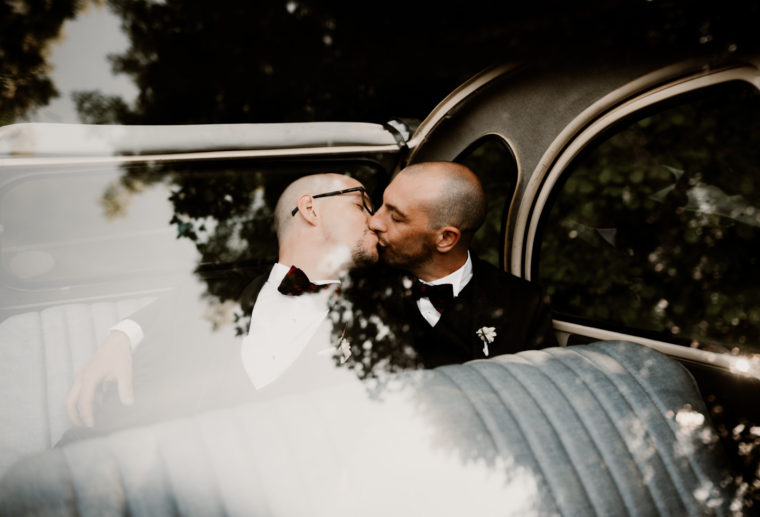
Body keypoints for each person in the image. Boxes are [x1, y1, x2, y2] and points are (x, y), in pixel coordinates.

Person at [65, 172, 379, 431]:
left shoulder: (376, 322)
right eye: (361, 204)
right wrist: (121, 336)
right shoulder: (208, 298)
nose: (376, 220)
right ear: (310, 209)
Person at [368, 161, 558, 367]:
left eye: (395, 217)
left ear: (446, 238)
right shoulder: (361, 285)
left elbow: (541, 388)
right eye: (381, 205)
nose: (374, 222)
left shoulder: (523, 304)